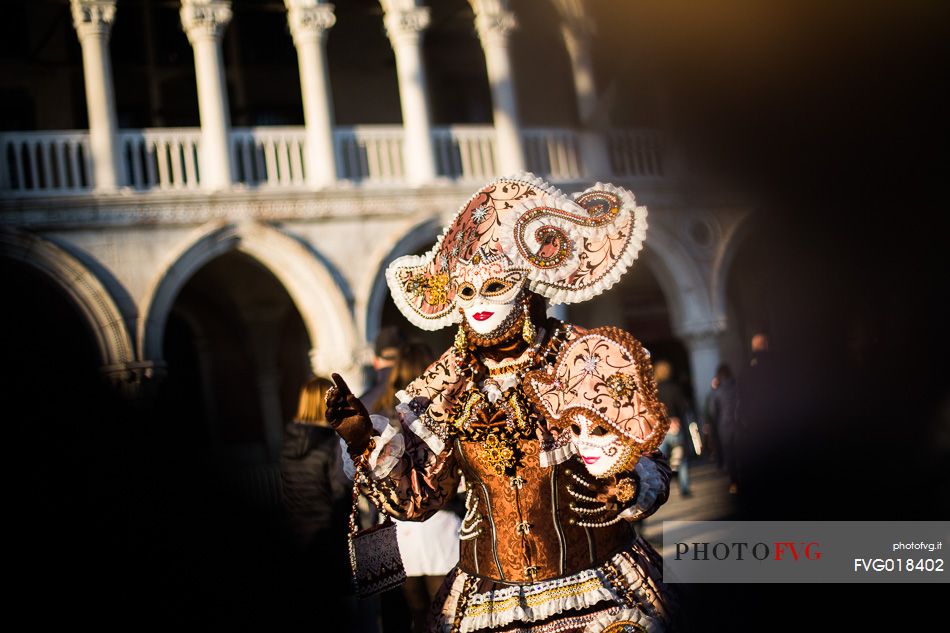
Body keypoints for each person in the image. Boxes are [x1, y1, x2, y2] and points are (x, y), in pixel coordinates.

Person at [327, 174, 680, 633]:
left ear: (529, 290)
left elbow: (646, 457)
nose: (478, 304)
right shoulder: (448, 387)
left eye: (494, 287)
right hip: (490, 603)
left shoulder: (584, 361)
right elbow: (418, 500)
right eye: (467, 292)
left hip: (599, 584)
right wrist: (361, 437)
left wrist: (628, 485)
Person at [376, 342, 463, 633]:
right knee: (448, 612)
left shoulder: (384, 414)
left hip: (400, 525)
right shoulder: (440, 409)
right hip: (441, 517)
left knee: (415, 614)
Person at [277, 375, 353, 631]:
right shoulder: (331, 443)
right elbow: (340, 491)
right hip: (330, 537)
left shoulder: (287, 443)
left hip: (296, 535)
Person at [654, 360, 693, 497]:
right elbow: (683, 407)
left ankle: (661, 489)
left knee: (659, 462)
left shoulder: (654, 390)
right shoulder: (675, 388)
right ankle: (684, 488)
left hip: (661, 430)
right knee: (681, 460)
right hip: (676, 427)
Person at [708, 364, 739, 494]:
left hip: (724, 427)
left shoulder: (717, 391)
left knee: (730, 455)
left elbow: (712, 411)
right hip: (741, 424)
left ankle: (734, 483)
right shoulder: (738, 386)